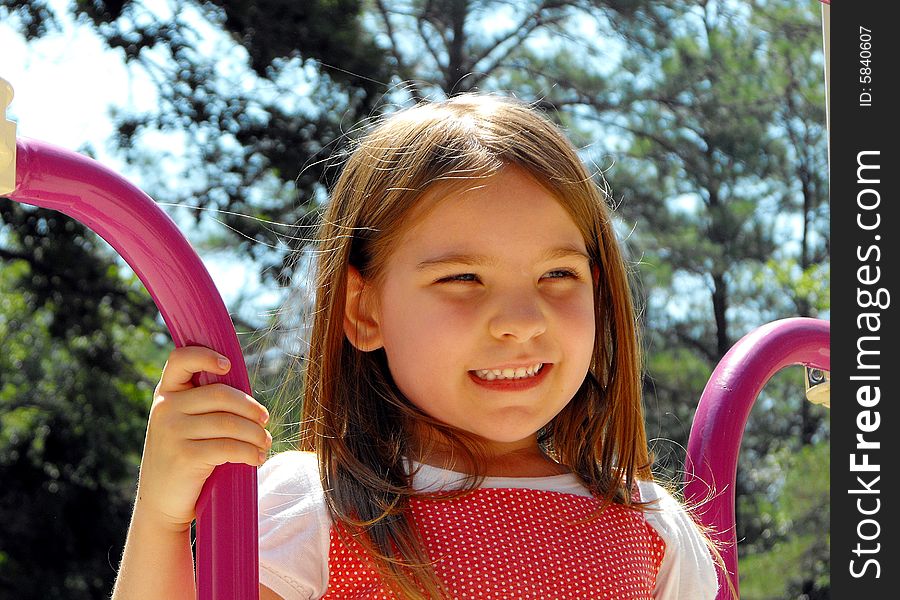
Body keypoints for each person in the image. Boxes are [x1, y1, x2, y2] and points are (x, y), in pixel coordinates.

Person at [111, 93, 719, 599]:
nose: (521, 322)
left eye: (558, 276)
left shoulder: (650, 526)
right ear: (363, 309)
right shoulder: (316, 510)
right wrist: (163, 517)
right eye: (461, 279)